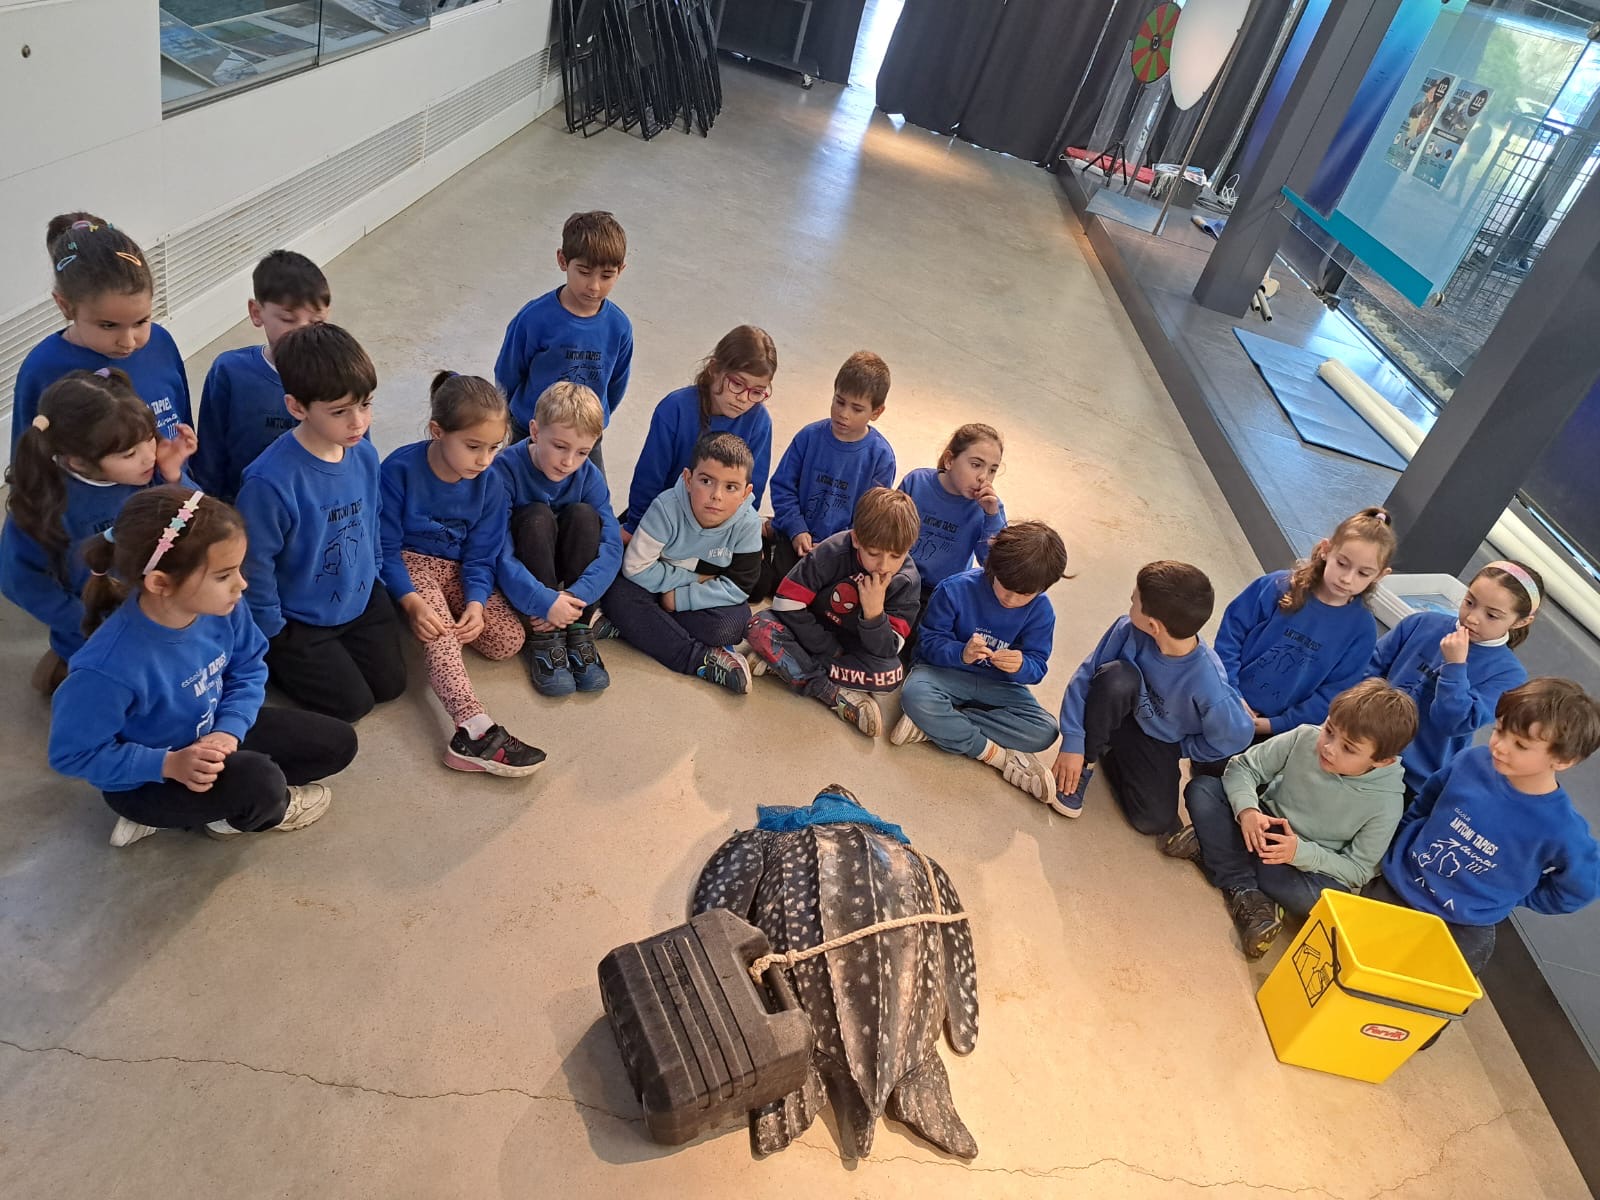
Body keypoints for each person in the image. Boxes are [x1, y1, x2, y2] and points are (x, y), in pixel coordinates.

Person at [47, 487, 357, 848]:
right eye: (223, 575)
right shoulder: (106, 669)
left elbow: (249, 667)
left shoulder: (222, 607)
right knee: (261, 785)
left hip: (210, 734)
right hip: (148, 782)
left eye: (238, 568)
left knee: (338, 743)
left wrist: (229, 730)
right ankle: (206, 816)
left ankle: (219, 800)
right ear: (160, 582)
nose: (241, 584)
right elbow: (72, 754)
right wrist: (168, 765)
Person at [1367, 677, 1600, 980]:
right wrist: (1400, 842)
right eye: (1499, 730)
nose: (1500, 747)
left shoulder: (1562, 829)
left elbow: (1581, 886)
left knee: (1422, 994)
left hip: (1463, 924)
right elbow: (1427, 800)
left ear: (1563, 760)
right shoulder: (1471, 760)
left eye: (1521, 745)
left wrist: (1515, 896)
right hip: (1398, 884)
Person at [1166, 679, 1418, 959]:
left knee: (1318, 901)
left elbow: (1359, 869)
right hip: (1261, 825)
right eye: (1329, 729)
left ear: (1382, 761)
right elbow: (1244, 768)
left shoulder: (1388, 803)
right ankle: (1248, 892)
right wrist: (1248, 810)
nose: (1329, 747)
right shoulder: (1305, 736)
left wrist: (1300, 853)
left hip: (1302, 862)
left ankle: (1217, 855)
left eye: (1348, 748)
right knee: (1203, 790)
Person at [234, 323, 405, 722]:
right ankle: (274, 660)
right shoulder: (268, 482)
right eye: (340, 411)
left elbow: (372, 518)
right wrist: (272, 629)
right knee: (353, 706)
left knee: (392, 685)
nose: (358, 422)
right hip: (300, 619)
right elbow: (254, 564)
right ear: (297, 407)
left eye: (365, 404)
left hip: (359, 598)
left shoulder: (364, 454)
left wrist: (376, 572)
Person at [380, 372, 544, 776]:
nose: (484, 459)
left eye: (494, 447)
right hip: (411, 561)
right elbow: (383, 548)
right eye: (473, 447)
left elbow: (481, 555)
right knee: (441, 636)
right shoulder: (398, 469)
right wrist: (411, 601)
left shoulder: (491, 484)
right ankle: (473, 729)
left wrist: (475, 603)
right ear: (437, 431)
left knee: (507, 640)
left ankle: (442, 634)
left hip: (456, 569)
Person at [1, 369, 194, 695]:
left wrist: (175, 477)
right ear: (78, 462)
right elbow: (19, 581)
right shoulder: (44, 506)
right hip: (100, 632)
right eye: (130, 454)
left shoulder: (151, 471)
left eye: (149, 437)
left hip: (158, 609)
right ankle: (63, 670)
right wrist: (86, 620)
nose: (149, 455)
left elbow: (194, 523)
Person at [1052, 560, 1254, 831]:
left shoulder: (1209, 683)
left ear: (1153, 625)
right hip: (1117, 707)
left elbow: (1237, 735)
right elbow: (1085, 678)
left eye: (1134, 601)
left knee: (1153, 820)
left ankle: (1112, 751)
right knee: (1117, 677)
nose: (1130, 602)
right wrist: (1074, 743)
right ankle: (1087, 761)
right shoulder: (1128, 629)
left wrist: (1182, 748)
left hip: (1158, 739)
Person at [1205, 506, 1396, 772]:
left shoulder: (1362, 630)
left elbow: (1333, 693)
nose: (1347, 578)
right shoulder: (1277, 586)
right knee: (1205, 762)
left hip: (1279, 733)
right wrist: (1232, 694)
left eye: (1363, 573)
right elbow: (1231, 636)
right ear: (1326, 549)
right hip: (1225, 701)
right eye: (1342, 563)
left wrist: (1274, 724)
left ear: (1381, 575)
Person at [893, 521, 1069, 799]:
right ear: (993, 568)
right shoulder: (955, 589)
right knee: (916, 695)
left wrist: (1021, 665)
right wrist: (960, 653)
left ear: (1042, 588)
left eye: (1024, 594)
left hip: (997, 685)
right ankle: (995, 755)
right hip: (944, 674)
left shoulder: (1042, 611)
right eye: (1005, 587)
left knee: (1045, 731)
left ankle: (935, 727)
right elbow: (927, 644)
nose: (1011, 599)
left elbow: (1038, 666)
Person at [746, 487, 921, 737]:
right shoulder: (833, 550)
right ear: (856, 539)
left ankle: (787, 664)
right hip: (809, 632)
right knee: (758, 626)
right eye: (873, 553)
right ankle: (829, 691)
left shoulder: (906, 581)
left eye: (896, 556)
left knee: (890, 675)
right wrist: (827, 648)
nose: (884, 566)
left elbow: (888, 649)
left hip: (852, 649)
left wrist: (874, 615)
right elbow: (786, 602)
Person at [12, 213, 192, 454]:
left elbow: (184, 426)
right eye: (108, 325)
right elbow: (28, 459)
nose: (128, 342)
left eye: (141, 321)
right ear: (65, 306)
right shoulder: (42, 369)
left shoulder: (161, 343)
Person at [601, 432, 762, 694]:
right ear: (688, 479)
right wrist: (694, 580)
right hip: (647, 586)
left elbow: (739, 586)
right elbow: (635, 567)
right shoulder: (666, 508)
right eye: (706, 481)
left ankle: (632, 627)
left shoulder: (748, 524)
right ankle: (699, 660)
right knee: (617, 595)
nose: (716, 496)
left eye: (731, 487)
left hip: (687, 597)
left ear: (746, 493)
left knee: (735, 624)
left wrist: (680, 599)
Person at [1368, 560, 1538, 799]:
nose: (1473, 618)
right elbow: (1367, 670)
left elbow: (1453, 722)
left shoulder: (1508, 675)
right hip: (1360, 745)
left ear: (1521, 621)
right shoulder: (1422, 623)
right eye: (1469, 602)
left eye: (1491, 615)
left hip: (1411, 778)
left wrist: (1455, 667)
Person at [495, 381, 623, 696]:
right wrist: (543, 601)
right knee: (536, 516)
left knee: (584, 515)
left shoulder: (589, 476)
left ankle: (577, 628)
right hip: (529, 574)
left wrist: (578, 599)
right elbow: (497, 548)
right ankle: (546, 636)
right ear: (535, 431)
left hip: (570, 586)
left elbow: (611, 546)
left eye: (582, 452)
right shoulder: (504, 470)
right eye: (560, 446)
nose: (569, 462)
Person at [493, 210, 632, 465]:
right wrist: (504, 420)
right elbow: (508, 372)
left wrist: (595, 422)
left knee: (593, 493)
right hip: (530, 432)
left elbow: (616, 384)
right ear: (562, 260)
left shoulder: (619, 327)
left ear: (620, 270)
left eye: (606, 275)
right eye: (584, 271)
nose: (594, 286)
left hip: (584, 438)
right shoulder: (534, 318)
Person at [191, 250, 332, 501]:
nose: (302, 331)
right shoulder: (229, 372)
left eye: (316, 322)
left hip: (315, 509)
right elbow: (209, 459)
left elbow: (356, 451)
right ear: (256, 313)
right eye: (288, 319)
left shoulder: (338, 373)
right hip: (241, 509)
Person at [761, 351, 896, 598]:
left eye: (857, 408)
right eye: (839, 401)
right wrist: (796, 529)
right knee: (774, 588)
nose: (844, 413)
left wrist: (835, 545)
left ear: (876, 412)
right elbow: (782, 486)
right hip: (796, 536)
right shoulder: (809, 437)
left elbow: (872, 517)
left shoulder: (881, 457)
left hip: (843, 549)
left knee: (831, 601)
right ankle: (772, 533)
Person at [621, 325, 777, 536]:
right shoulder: (675, 408)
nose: (743, 398)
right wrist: (637, 526)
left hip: (719, 529)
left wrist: (736, 536)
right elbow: (650, 476)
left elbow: (751, 492)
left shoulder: (760, 422)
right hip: (663, 520)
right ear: (714, 369)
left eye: (757, 392)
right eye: (737, 384)